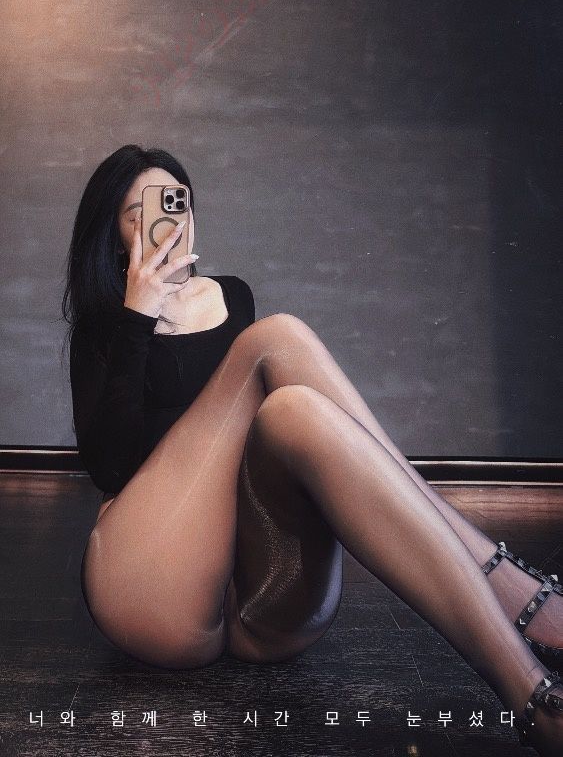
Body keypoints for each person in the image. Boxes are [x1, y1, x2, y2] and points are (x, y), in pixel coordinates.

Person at [62, 144, 563, 756]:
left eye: (176, 201)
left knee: (295, 410)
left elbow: (254, 458)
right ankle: (506, 589)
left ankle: (538, 705)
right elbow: (110, 467)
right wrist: (137, 318)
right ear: (115, 235)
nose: (164, 219)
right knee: (278, 337)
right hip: (153, 588)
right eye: (139, 211)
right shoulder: (105, 326)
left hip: (264, 603)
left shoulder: (231, 297)